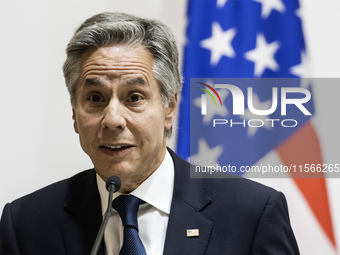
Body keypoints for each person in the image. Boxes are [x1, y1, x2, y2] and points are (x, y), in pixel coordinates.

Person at [0, 12, 299, 255]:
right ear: (75, 114)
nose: (113, 119)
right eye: (95, 98)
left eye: (134, 97)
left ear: (169, 107)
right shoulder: (26, 223)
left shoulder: (252, 213)